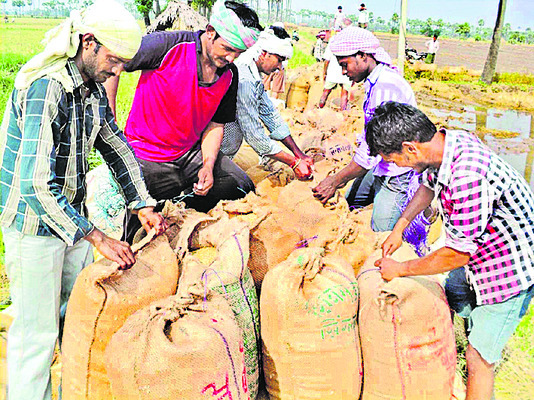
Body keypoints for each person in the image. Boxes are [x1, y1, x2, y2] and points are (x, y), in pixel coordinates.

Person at [0, 1, 167, 398]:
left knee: (71, 316)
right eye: (114, 59)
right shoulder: (48, 87)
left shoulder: (90, 88)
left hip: (71, 218)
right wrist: (96, 237)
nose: (119, 70)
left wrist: (141, 202)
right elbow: (35, 184)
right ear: (88, 43)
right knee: (36, 333)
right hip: (33, 222)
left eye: (125, 62)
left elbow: (116, 146)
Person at [368, 101, 534, 400]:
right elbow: (428, 187)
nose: (395, 167)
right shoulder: (444, 146)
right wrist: (400, 226)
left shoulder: (468, 177)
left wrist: (401, 268)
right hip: (483, 254)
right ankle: (474, 335)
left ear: (410, 148)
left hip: (510, 270)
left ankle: (481, 358)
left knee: (478, 358)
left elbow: (456, 255)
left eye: (393, 160)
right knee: (459, 296)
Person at [104, 0, 262, 243]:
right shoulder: (168, 45)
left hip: (189, 154)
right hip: (147, 156)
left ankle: (183, 219)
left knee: (241, 187)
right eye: (228, 49)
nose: (231, 58)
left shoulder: (230, 75)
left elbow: (216, 125)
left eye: (238, 53)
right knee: (138, 230)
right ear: (210, 32)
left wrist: (208, 166)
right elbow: (113, 61)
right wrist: (110, 118)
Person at [313, 28, 427, 235]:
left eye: (345, 65)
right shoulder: (375, 81)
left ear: (363, 56)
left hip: (397, 171)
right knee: (351, 201)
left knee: (381, 231)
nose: (344, 72)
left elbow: (372, 148)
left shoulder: (385, 86)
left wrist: (335, 180)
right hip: (382, 162)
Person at [221, 26, 314, 180]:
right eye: (279, 60)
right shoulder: (245, 79)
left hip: (223, 153)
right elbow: (254, 134)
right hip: (211, 153)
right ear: (264, 54)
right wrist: (294, 163)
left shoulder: (254, 77)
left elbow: (270, 114)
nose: (279, 67)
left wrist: (299, 153)